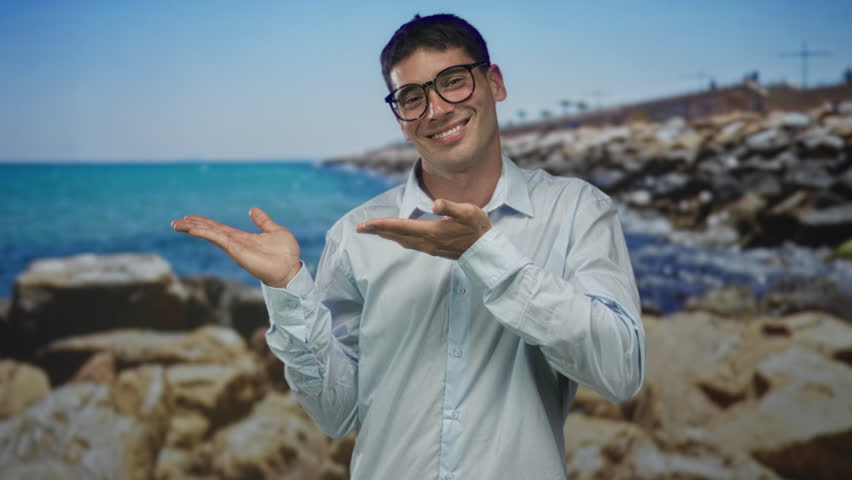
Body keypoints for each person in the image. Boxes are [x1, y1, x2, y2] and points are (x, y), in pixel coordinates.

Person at [172, 13, 644, 480]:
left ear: (494, 83)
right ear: (399, 118)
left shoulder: (578, 210)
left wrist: (486, 256)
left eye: (454, 82)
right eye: (411, 97)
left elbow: (621, 372)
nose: (435, 110)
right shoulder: (357, 234)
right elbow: (336, 414)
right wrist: (287, 288)